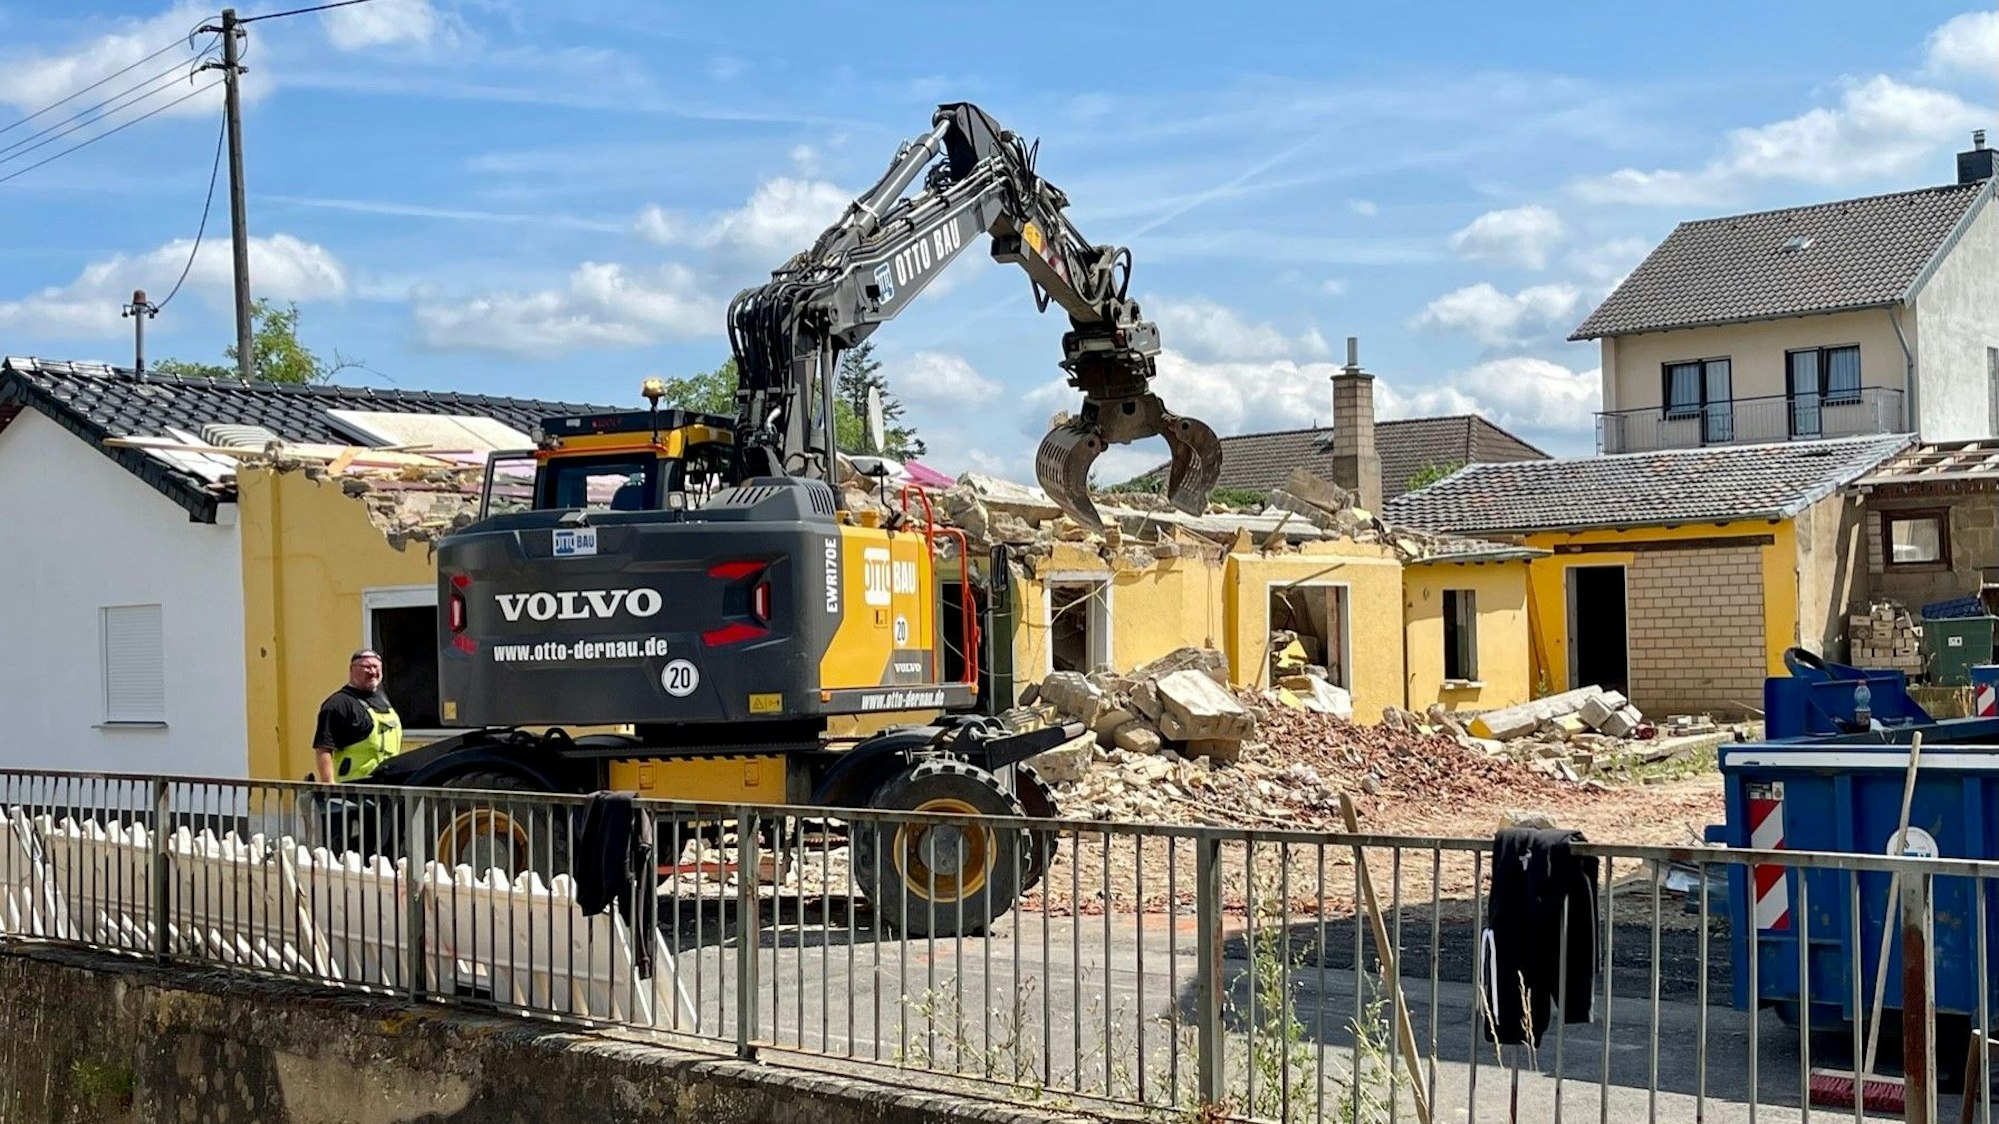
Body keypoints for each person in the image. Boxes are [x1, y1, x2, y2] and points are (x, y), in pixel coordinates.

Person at [312, 649, 404, 783]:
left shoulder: (384, 699)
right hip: (353, 792)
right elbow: (323, 749)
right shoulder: (338, 704)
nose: (372, 672)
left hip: (388, 788)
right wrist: (329, 787)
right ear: (352, 670)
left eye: (376, 667)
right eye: (367, 667)